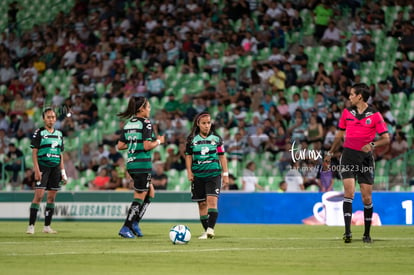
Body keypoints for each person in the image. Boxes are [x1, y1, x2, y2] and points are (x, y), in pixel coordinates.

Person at [324, 83, 390, 244]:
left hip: (366, 159)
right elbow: (339, 136)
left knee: (367, 198)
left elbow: (386, 138)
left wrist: (373, 145)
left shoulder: (375, 115)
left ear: (360, 96)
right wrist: (330, 153)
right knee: (349, 193)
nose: (349, 97)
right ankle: (347, 232)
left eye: (352, 94)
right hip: (347, 156)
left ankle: (367, 234)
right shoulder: (346, 113)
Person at [116, 96, 165, 238]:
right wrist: (159, 141)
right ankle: (126, 226)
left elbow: (120, 145)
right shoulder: (146, 123)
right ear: (141, 109)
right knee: (139, 196)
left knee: (150, 192)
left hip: (131, 163)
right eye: (148, 107)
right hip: (142, 163)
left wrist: (134, 143)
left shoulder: (129, 123)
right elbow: (147, 146)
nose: (150, 109)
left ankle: (135, 223)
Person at [185, 111, 229, 239]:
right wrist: (189, 172)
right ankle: (206, 231)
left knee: (212, 201)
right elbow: (188, 156)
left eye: (208, 123)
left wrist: (225, 174)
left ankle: (210, 230)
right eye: (204, 123)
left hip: (213, 174)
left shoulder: (217, 139)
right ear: (198, 124)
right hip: (198, 175)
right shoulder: (191, 139)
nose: (206, 125)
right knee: (202, 204)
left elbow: (222, 156)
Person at [26, 107, 67, 235]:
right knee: (38, 196)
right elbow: (34, 153)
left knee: (51, 198)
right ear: (44, 119)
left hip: (55, 168)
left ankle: (47, 226)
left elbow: (60, 154)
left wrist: (63, 172)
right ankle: (31, 226)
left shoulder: (59, 134)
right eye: (48, 117)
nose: (51, 119)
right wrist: (37, 170)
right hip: (43, 166)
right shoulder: (39, 132)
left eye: (53, 117)